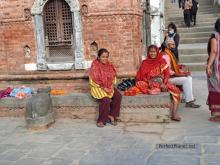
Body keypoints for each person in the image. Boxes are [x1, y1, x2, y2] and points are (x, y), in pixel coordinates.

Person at [135, 45, 181, 121]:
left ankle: (174, 114)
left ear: (157, 52)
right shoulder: (145, 62)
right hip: (149, 83)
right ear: (148, 53)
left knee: (176, 91)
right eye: (150, 52)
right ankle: (155, 89)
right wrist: (149, 82)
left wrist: (164, 83)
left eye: (154, 52)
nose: (152, 53)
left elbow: (167, 74)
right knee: (139, 84)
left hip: (161, 82)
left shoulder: (162, 61)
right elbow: (142, 76)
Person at [162, 38, 201, 108]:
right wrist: (181, 74)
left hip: (170, 76)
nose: (174, 46)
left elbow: (172, 66)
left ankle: (188, 99)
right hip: (167, 79)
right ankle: (189, 101)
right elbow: (168, 72)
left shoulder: (169, 53)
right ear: (168, 45)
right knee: (187, 79)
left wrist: (180, 67)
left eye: (174, 44)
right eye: (172, 44)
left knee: (188, 77)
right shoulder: (166, 55)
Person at [89, 48, 122, 127]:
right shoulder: (95, 66)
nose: (105, 59)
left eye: (106, 57)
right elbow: (93, 81)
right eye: (103, 57)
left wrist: (111, 86)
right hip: (98, 87)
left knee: (118, 96)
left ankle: (112, 115)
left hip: (108, 86)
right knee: (106, 100)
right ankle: (101, 120)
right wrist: (104, 88)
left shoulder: (109, 65)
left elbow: (113, 77)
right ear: (99, 57)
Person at [206, 18, 220, 122]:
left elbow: (214, 51)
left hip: (217, 66)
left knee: (215, 88)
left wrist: (209, 66)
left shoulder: (215, 37)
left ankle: (217, 114)